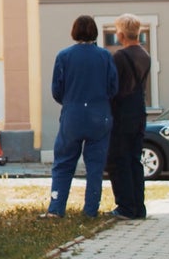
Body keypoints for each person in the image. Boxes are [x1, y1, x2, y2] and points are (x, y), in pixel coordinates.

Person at [42, 15, 118, 218]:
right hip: (99, 115)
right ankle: (91, 210)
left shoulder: (64, 56)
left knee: (64, 163)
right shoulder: (105, 56)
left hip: (72, 115)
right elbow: (113, 86)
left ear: (74, 32)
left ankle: (56, 208)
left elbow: (57, 89)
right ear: (95, 32)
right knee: (95, 166)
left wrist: (70, 102)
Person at [106, 13, 151, 220]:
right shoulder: (145, 55)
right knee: (135, 159)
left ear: (122, 34)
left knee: (118, 159)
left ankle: (125, 206)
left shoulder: (120, 57)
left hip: (122, 113)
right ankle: (138, 207)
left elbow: (114, 87)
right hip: (139, 111)